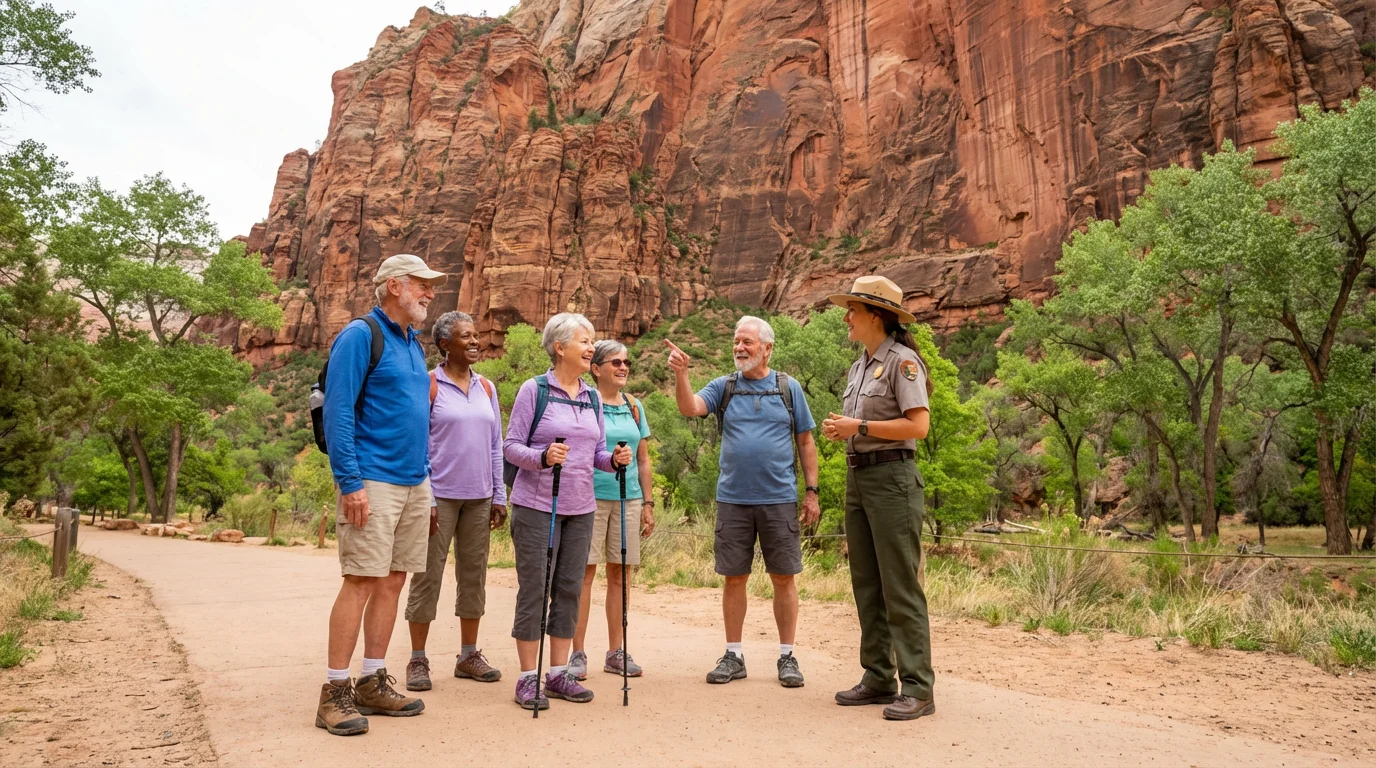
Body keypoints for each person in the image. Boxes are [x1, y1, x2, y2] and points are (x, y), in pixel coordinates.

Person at [317, 254, 444, 736]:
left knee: (393, 580)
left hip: (413, 482)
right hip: (372, 479)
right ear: (394, 286)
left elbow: (416, 420)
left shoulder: (412, 344)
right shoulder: (359, 336)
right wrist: (350, 481)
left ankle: (372, 680)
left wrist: (426, 484)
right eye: (422, 285)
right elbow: (339, 412)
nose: (429, 294)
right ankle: (333, 692)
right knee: (361, 579)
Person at [664, 316, 820, 688]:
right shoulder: (724, 387)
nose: (739, 348)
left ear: (767, 348)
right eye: (736, 341)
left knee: (784, 577)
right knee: (734, 578)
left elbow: (806, 442)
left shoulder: (788, 387)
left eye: (747, 342)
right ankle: (733, 654)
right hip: (733, 499)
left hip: (779, 498)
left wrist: (812, 492)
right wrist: (681, 374)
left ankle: (787, 657)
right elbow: (690, 408)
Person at [820, 275, 936, 722]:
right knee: (867, 583)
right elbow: (861, 425)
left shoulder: (903, 363)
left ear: (876, 316)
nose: (846, 317)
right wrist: (844, 430)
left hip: (893, 480)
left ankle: (919, 688)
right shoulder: (859, 366)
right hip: (860, 480)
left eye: (853, 310)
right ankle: (878, 677)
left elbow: (918, 427)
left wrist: (861, 428)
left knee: (899, 586)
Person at [503, 313, 632, 711]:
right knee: (536, 589)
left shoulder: (591, 396)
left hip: (581, 506)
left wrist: (614, 460)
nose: (591, 346)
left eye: (592, 340)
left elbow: (594, 454)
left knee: (569, 590)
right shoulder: (534, 390)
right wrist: (542, 457)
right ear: (559, 348)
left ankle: (557, 674)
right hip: (538, 506)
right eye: (584, 340)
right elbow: (510, 447)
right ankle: (528, 678)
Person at [402, 312, 507, 692]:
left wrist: (499, 494)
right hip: (439, 497)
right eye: (466, 336)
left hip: (479, 498)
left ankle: (468, 655)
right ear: (445, 345)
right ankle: (417, 658)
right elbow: (417, 443)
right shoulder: (429, 385)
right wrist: (425, 496)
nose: (476, 341)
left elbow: (496, 445)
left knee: (473, 576)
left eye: (476, 335)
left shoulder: (488, 389)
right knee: (427, 574)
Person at [570, 340, 655, 680]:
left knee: (621, 574)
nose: (623, 367)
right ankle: (576, 653)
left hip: (628, 498)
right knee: (584, 575)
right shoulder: (585, 402)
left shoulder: (634, 406)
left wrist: (648, 504)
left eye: (627, 363)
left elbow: (644, 459)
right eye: (615, 362)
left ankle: (616, 651)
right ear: (596, 368)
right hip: (588, 499)